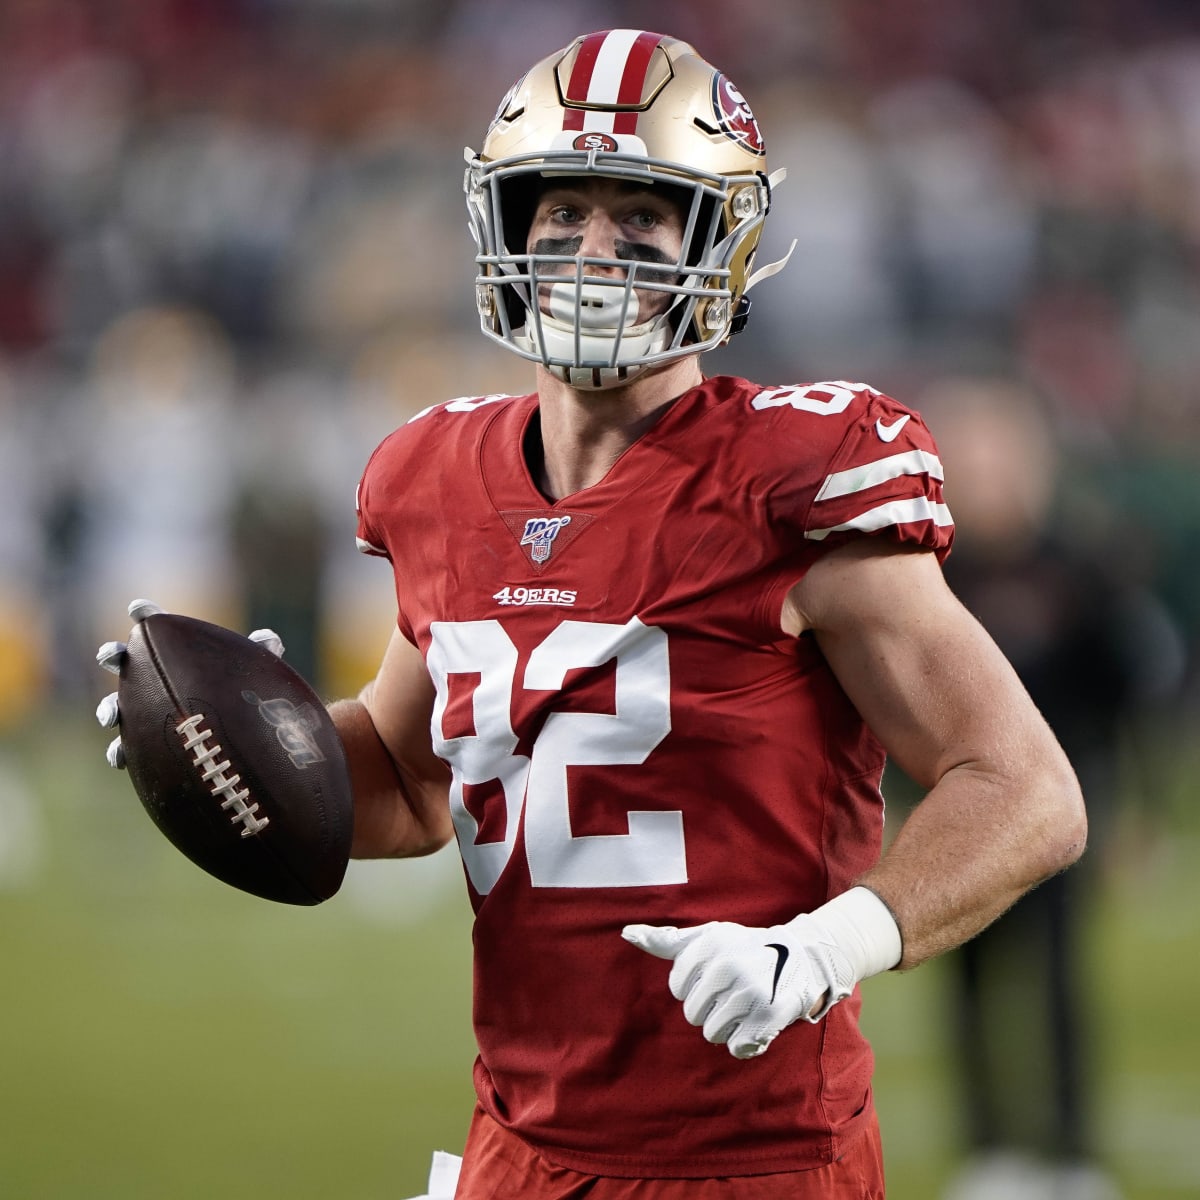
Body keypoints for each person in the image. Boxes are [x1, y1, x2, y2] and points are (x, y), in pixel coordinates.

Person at [97, 30, 1086, 1199]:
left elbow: (1026, 789)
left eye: (640, 220)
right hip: (516, 1145)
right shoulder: (434, 477)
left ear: (720, 245)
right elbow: (415, 785)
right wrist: (239, 744)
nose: (590, 253)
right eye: (558, 214)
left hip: (752, 1158)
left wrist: (824, 947)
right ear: (503, 229)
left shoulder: (790, 478)